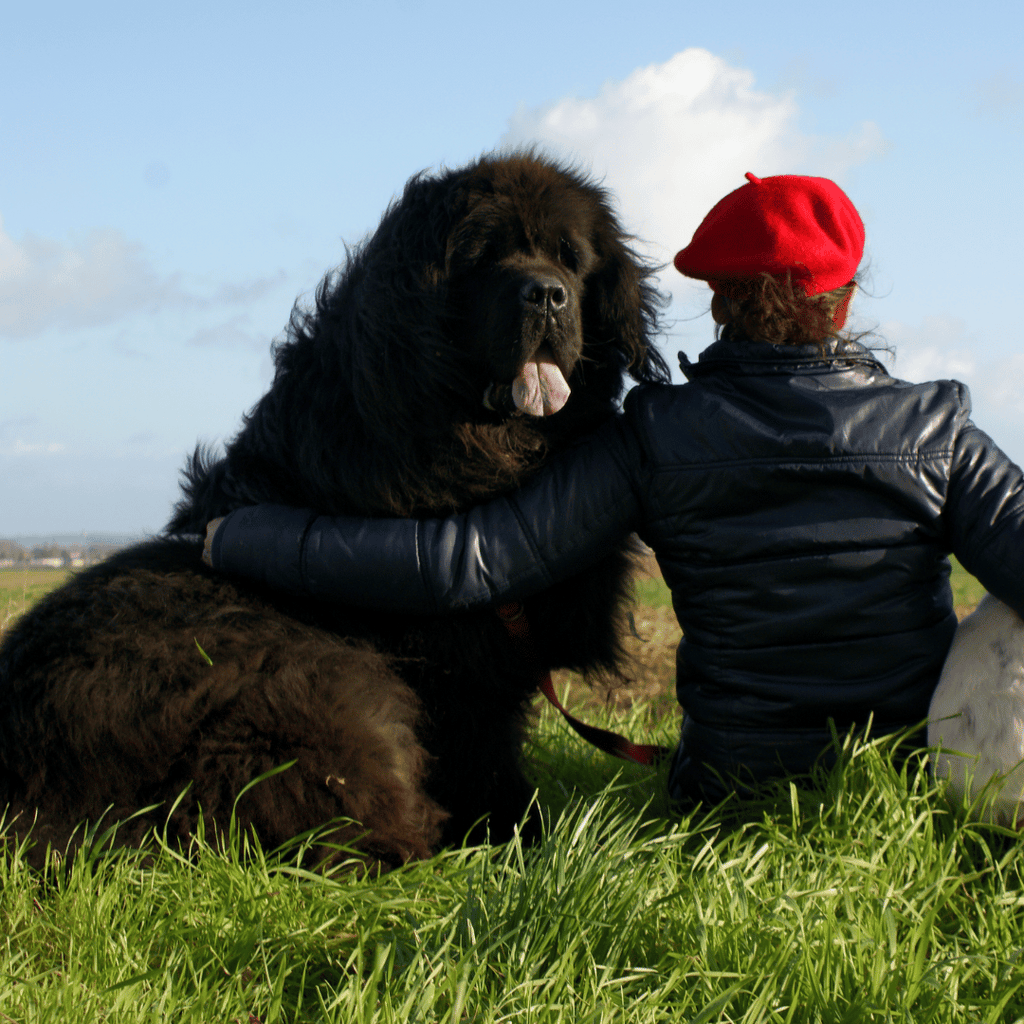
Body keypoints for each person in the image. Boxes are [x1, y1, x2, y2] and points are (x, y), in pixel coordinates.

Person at [201, 172, 1024, 806]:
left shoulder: (659, 437)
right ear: (842, 305)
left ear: (720, 303)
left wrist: (237, 535)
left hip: (725, 799)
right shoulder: (936, 432)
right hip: (905, 793)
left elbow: (461, 564)